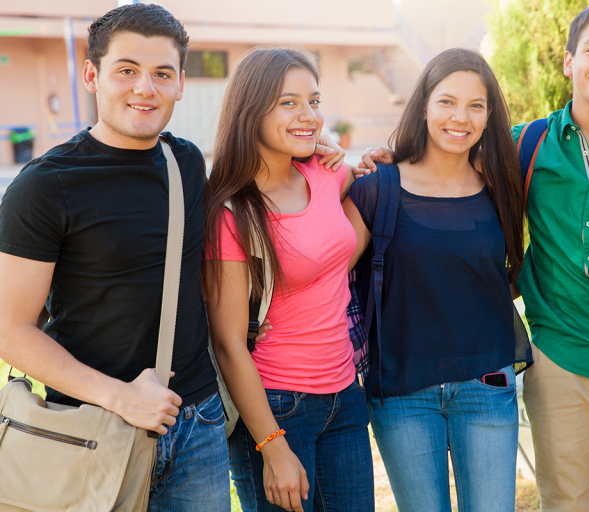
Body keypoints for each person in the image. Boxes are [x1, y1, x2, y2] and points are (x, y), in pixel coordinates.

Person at [0, 5, 345, 511]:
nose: (145, 88)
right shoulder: (44, 187)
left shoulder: (185, 161)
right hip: (94, 427)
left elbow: (265, 191)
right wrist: (118, 396)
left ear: (180, 83)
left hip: (199, 425)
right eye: (127, 70)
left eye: (162, 73)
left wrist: (317, 146)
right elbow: (10, 330)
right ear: (92, 75)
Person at [357, 4, 589, 511]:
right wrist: (389, 163)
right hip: (559, 356)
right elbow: (447, 169)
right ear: (569, 61)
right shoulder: (525, 146)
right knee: (562, 503)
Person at [343, 48, 532, 512]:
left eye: (475, 105)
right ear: (424, 105)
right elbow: (324, 276)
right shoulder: (375, 189)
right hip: (401, 391)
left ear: (490, 115)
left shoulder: (501, 190)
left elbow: (508, 276)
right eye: (447, 101)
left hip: (486, 384)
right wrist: (339, 173)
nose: (460, 117)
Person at [203, 48, 373, 512]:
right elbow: (228, 343)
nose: (309, 116)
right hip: (277, 404)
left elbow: (341, 241)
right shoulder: (232, 212)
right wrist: (272, 445)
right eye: (288, 103)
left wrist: (374, 161)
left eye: (314, 101)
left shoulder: (325, 174)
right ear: (250, 112)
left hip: (345, 395)